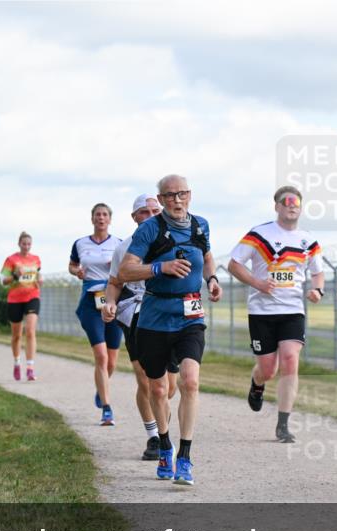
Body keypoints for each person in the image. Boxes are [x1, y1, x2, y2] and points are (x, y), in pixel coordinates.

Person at [117, 175, 222, 485]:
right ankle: (164, 444)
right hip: (154, 317)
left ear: (190, 195)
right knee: (159, 389)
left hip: (190, 314)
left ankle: (185, 457)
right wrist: (160, 268)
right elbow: (125, 270)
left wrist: (212, 279)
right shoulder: (150, 229)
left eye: (183, 194)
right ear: (160, 199)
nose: (178, 200)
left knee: (190, 381)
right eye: (171, 195)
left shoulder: (200, 225)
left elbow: (205, 255)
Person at [228, 185, 324, 442]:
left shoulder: (308, 240)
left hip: (292, 310)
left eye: (296, 202)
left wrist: (317, 290)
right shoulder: (260, 235)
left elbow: (318, 273)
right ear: (277, 206)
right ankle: (257, 383)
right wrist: (257, 283)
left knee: (291, 359)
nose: (292, 205)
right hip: (261, 311)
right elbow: (234, 264)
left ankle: (283, 424)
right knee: (268, 369)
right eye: (287, 201)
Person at [103, 194, 179, 461]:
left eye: (155, 210)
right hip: (135, 313)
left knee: (169, 387)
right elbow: (113, 283)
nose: (151, 215)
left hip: (168, 314)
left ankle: (162, 428)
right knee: (146, 380)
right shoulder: (124, 248)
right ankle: (155, 437)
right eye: (144, 212)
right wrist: (109, 303)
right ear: (134, 218)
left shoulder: (174, 241)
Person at [69, 203, 125, 425]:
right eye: (97, 215)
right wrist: (77, 272)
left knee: (111, 361)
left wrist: (117, 268)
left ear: (110, 219)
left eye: (104, 215)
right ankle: (107, 408)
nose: (101, 218)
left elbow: (129, 268)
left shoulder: (119, 244)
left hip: (113, 302)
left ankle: (100, 390)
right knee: (101, 356)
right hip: (91, 303)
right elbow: (72, 265)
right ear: (92, 219)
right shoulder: (81, 243)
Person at [2, 231, 42, 381]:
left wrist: (40, 279)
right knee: (16, 335)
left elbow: (37, 275)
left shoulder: (36, 259)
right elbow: (3, 281)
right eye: (24, 244)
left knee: (30, 331)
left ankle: (30, 368)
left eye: (29, 244)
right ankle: (17, 362)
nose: (26, 247)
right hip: (15, 299)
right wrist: (14, 276)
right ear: (19, 244)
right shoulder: (11, 259)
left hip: (32, 296)